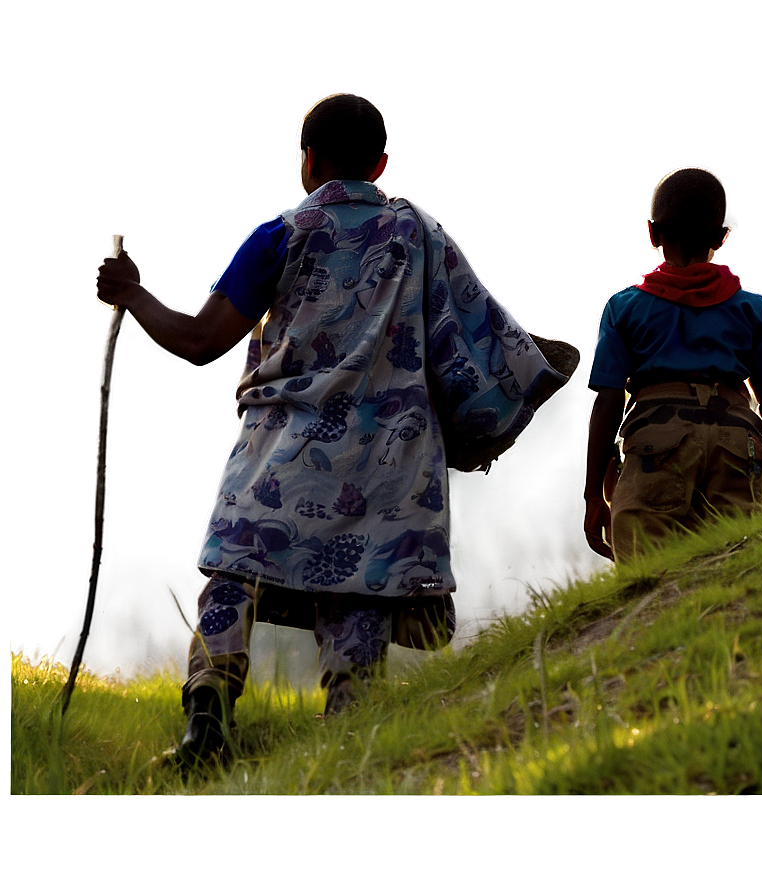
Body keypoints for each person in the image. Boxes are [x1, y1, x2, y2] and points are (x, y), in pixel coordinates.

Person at [96, 93, 574, 768]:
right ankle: (351, 739)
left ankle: (206, 720)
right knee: (359, 586)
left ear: (307, 163)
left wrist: (133, 295)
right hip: (389, 461)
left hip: (283, 454)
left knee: (232, 571)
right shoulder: (422, 236)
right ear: (381, 166)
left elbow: (203, 340)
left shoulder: (279, 237)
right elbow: (473, 332)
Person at [583, 166, 762, 563]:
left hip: (654, 445)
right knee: (745, 574)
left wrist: (594, 494)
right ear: (720, 237)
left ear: (653, 233)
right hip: (739, 442)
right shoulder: (753, 309)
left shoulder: (624, 308)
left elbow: (608, 400)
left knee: (649, 583)